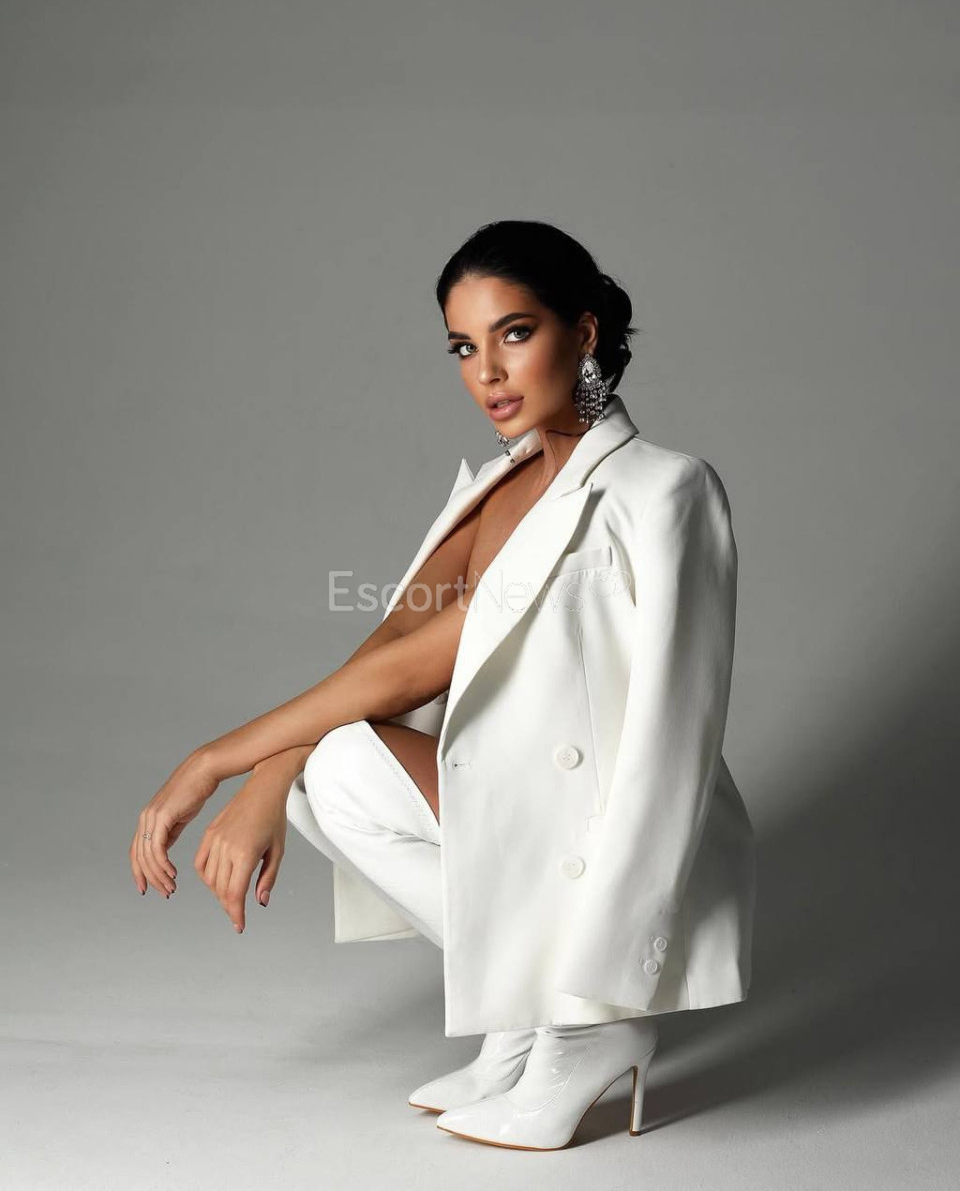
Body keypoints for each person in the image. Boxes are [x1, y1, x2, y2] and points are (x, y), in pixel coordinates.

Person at [130, 219, 756, 1151]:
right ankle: (524, 1019)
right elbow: (391, 650)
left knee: (332, 764)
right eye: (464, 347)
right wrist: (262, 775)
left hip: (604, 820)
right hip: (527, 800)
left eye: (515, 333)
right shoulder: (495, 487)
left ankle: (590, 1023)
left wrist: (213, 759)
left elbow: (676, 730)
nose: (487, 373)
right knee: (330, 774)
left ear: (584, 332)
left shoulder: (664, 490)